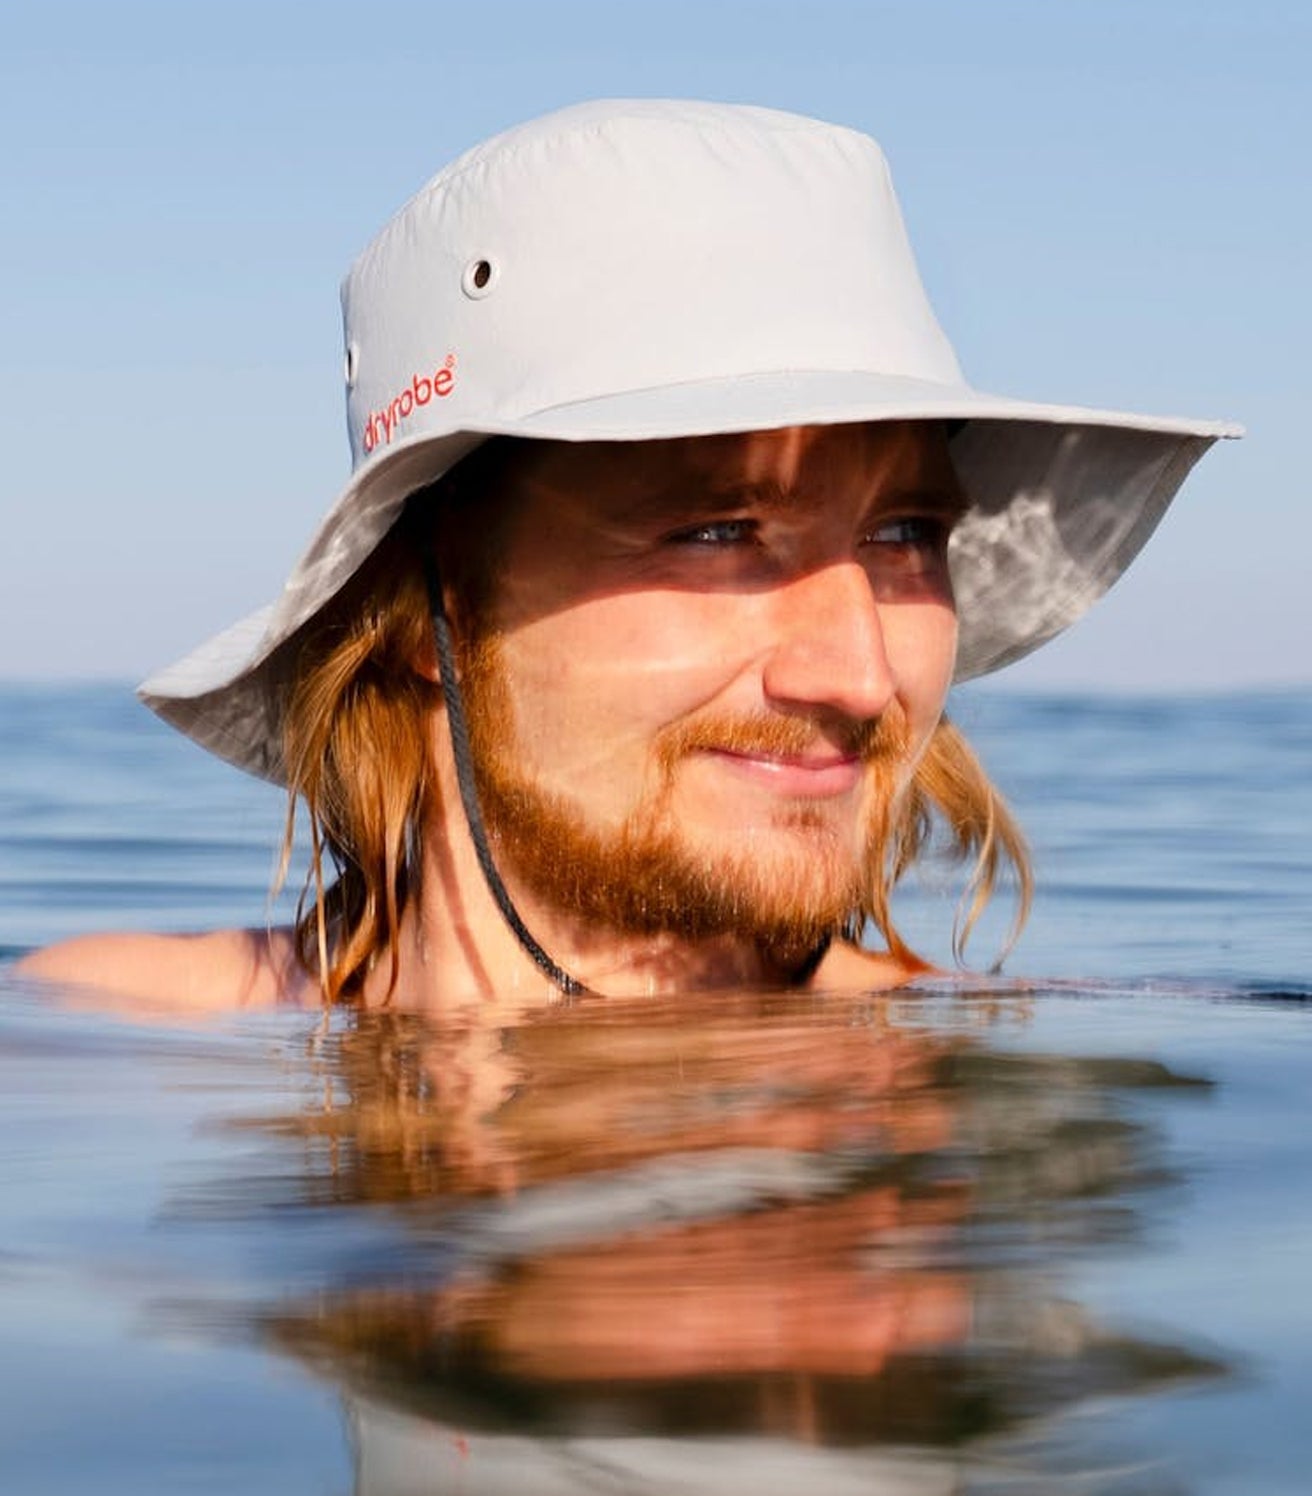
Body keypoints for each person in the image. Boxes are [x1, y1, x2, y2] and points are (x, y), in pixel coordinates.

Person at [18, 100, 1236, 1011]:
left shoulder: (985, 1066)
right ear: (428, 609)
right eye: (720, 532)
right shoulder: (97, 1027)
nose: (863, 677)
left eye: (904, 534)